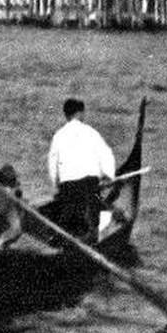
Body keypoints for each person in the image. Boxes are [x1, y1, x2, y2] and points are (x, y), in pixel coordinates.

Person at [46, 96, 115, 243]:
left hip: (68, 185)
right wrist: (109, 176)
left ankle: (65, 239)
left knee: (68, 215)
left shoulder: (59, 135)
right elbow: (106, 154)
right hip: (90, 184)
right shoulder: (91, 132)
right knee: (92, 218)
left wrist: (56, 186)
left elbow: (53, 164)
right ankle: (92, 238)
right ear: (81, 113)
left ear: (66, 115)